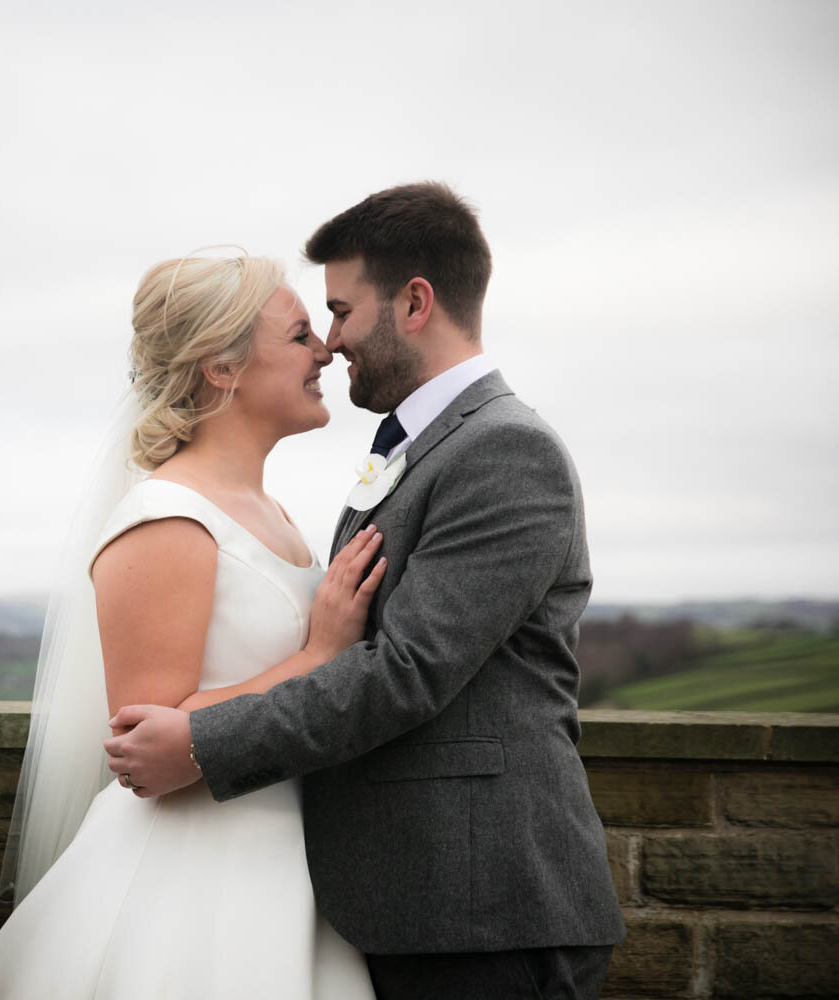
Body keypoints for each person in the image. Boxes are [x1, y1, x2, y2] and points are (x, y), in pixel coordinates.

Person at [103, 183, 626, 999]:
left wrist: (203, 744)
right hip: (400, 900)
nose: (331, 343)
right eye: (312, 324)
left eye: (340, 313)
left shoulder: (503, 451)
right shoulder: (414, 451)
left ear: (414, 302)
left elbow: (405, 672)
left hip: (482, 908)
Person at [0, 253, 383, 999]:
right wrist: (320, 652)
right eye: (297, 337)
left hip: (287, 862)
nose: (325, 350)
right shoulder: (167, 520)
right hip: (191, 877)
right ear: (222, 368)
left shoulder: (272, 513)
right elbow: (148, 743)